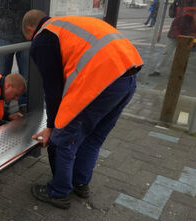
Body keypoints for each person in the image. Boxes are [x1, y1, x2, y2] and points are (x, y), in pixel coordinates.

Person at [22, 10, 143, 209]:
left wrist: (52, 126)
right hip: (128, 77)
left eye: (28, 38)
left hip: (102, 82)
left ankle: (59, 192)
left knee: (63, 140)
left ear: (29, 29)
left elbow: (52, 89)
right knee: (93, 137)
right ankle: (80, 182)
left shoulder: (43, 37)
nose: (30, 42)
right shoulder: (66, 25)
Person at [0, 0, 31, 113]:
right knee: (4, 73)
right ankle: (4, 102)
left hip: (23, 35)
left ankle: (23, 102)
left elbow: (29, 9)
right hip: (7, 34)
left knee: (26, 74)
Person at [149, 0, 196, 76]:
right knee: (167, 52)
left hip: (187, 33)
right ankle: (157, 70)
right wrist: (173, 6)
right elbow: (171, 15)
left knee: (182, 54)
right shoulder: (178, 2)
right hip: (176, 30)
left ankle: (178, 72)